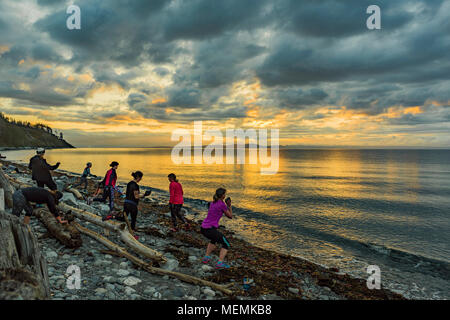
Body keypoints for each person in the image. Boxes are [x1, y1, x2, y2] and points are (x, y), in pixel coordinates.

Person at [200, 188, 233, 269]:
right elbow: (230, 216)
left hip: (203, 228)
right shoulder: (222, 204)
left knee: (213, 240)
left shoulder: (212, 203)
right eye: (224, 194)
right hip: (210, 229)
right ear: (222, 196)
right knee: (226, 243)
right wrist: (229, 206)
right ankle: (220, 263)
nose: (225, 195)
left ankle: (206, 257)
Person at [113, 171, 151, 238]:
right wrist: (145, 195)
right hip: (132, 205)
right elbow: (136, 196)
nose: (141, 179)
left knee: (124, 218)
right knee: (133, 220)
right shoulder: (136, 185)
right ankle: (132, 235)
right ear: (138, 177)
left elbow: (128, 193)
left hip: (126, 203)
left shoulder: (129, 183)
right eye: (141, 178)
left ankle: (112, 217)